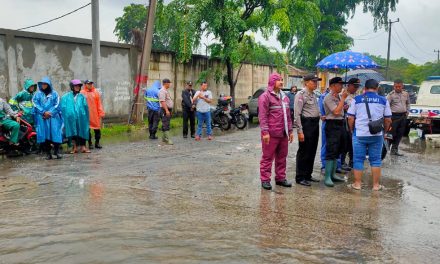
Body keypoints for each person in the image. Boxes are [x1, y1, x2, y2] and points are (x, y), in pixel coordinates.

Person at [347, 79, 392, 191]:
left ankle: (357, 184)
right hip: (377, 135)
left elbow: (350, 117)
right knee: (376, 160)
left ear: (365, 88)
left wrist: (352, 130)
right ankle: (376, 186)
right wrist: (385, 131)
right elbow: (388, 119)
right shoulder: (383, 100)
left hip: (360, 134)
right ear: (377, 88)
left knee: (358, 159)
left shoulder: (356, 100)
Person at [258, 73, 294, 190]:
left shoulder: (284, 97)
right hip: (271, 134)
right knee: (267, 157)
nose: (281, 82)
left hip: (283, 133)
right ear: (272, 82)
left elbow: (288, 116)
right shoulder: (265, 97)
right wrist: (265, 132)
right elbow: (262, 116)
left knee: (282, 157)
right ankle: (265, 180)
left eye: (282, 80)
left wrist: (290, 131)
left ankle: (280, 178)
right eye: (279, 80)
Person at [294, 74, 321, 186]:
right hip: (306, 125)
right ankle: (300, 177)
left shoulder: (314, 95)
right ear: (306, 82)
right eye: (313, 81)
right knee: (304, 151)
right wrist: (300, 131)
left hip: (315, 124)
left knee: (312, 150)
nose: (316, 83)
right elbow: (297, 114)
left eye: (316, 81)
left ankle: (308, 175)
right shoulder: (301, 95)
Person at [323, 77, 349, 187]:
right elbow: (336, 111)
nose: (342, 86)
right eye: (339, 84)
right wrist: (343, 99)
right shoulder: (328, 97)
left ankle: (333, 174)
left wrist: (344, 104)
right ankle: (327, 176)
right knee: (331, 149)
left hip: (340, 124)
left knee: (339, 149)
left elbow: (341, 110)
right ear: (333, 86)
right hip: (332, 124)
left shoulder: (338, 96)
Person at [33, 77, 63, 160]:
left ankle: (56, 152)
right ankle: (48, 153)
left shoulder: (55, 94)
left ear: (49, 85)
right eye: (42, 84)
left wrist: (50, 113)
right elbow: (35, 104)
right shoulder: (37, 94)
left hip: (53, 118)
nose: (43, 85)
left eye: (45, 84)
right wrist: (43, 112)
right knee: (45, 135)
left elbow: (57, 104)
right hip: (42, 118)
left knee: (56, 134)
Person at [61, 79, 90, 154]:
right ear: (72, 87)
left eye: (78, 86)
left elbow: (85, 107)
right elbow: (63, 107)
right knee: (73, 132)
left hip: (81, 118)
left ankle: (83, 146)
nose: (77, 87)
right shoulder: (66, 97)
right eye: (75, 86)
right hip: (71, 118)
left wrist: (85, 117)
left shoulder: (82, 97)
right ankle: (75, 147)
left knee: (82, 131)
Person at [340, 78, 361, 170]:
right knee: (345, 142)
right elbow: (337, 108)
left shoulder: (358, 95)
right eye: (354, 86)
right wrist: (344, 107)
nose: (356, 88)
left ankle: (352, 161)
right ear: (349, 85)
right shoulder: (342, 95)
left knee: (354, 142)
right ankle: (342, 161)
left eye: (357, 86)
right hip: (345, 121)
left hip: (356, 121)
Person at [387, 79, 410, 156]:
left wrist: (407, 112)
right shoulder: (390, 95)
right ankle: (386, 149)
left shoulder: (406, 94)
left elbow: (408, 103)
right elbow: (386, 106)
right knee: (391, 134)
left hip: (403, 116)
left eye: (399, 86)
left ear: (402, 86)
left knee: (400, 134)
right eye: (396, 86)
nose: (397, 88)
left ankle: (394, 150)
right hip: (393, 117)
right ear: (394, 86)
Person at [81, 80, 105, 149]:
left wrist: (101, 113)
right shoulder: (82, 93)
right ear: (85, 84)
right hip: (86, 115)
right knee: (87, 130)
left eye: (91, 83)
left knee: (97, 129)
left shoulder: (95, 92)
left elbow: (99, 104)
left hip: (95, 115)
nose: (90, 85)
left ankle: (97, 143)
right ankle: (90, 143)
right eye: (88, 84)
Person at [158, 78, 174, 145]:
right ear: (166, 83)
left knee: (166, 123)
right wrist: (167, 110)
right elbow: (162, 101)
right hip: (164, 110)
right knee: (165, 124)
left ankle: (163, 139)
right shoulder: (162, 91)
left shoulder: (165, 90)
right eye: (169, 83)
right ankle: (168, 139)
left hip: (168, 109)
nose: (170, 84)